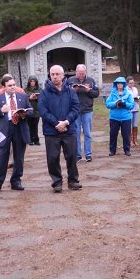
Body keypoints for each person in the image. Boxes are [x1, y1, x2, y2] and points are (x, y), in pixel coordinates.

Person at [38, 65, 82, 193]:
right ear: (50, 76)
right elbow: (43, 111)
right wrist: (56, 123)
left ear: (63, 76)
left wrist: (66, 122)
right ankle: (57, 182)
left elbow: (76, 108)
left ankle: (73, 181)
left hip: (69, 130)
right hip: (51, 131)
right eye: (52, 74)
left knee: (72, 156)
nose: (55, 76)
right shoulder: (44, 93)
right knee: (52, 158)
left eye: (58, 74)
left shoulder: (71, 92)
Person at [0, 74, 32, 192]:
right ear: (3, 87)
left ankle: (16, 181)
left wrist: (24, 114)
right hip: (5, 129)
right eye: (10, 86)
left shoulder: (22, 96)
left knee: (19, 157)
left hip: (19, 128)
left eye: (14, 85)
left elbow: (31, 111)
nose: (13, 87)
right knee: (2, 157)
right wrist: (0, 111)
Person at [68, 64, 99, 162]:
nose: (81, 75)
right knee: (76, 134)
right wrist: (72, 90)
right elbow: (65, 94)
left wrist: (89, 90)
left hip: (87, 110)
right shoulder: (70, 80)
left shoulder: (91, 80)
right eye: (79, 73)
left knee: (87, 134)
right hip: (75, 111)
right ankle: (77, 155)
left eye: (82, 73)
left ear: (85, 72)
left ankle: (88, 154)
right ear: (76, 72)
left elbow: (96, 94)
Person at [105, 76, 135, 156]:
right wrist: (115, 103)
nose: (120, 85)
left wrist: (124, 104)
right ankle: (112, 151)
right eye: (118, 83)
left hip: (126, 118)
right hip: (114, 117)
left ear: (124, 84)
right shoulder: (112, 94)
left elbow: (132, 105)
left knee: (126, 135)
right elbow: (107, 104)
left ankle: (127, 150)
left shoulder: (128, 94)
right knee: (113, 134)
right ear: (116, 84)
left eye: (121, 83)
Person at [25, 76, 41, 145]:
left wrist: (37, 97)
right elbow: (23, 100)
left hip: (36, 110)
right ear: (29, 82)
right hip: (28, 110)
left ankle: (36, 140)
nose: (32, 83)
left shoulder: (40, 90)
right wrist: (29, 98)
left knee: (35, 126)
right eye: (31, 81)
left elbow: (43, 99)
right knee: (29, 126)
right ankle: (30, 140)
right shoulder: (25, 90)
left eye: (34, 81)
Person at [127, 76, 140, 147]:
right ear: (127, 83)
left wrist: (138, 98)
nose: (131, 84)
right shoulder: (126, 90)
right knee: (130, 124)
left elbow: (136, 96)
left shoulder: (135, 89)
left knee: (135, 125)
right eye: (130, 83)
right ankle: (130, 140)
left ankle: (135, 139)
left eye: (133, 83)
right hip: (130, 109)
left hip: (136, 108)